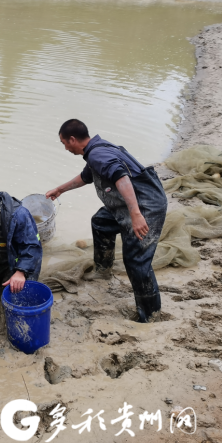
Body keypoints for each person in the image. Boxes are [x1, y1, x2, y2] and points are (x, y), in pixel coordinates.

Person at [45, 119, 168, 323]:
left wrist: (137, 215)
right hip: (127, 204)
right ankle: (103, 270)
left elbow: (122, 179)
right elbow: (86, 177)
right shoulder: (95, 151)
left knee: (137, 262)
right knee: (101, 222)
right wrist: (60, 189)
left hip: (145, 205)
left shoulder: (98, 154)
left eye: (64, 143)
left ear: (73, 139)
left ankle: (150, 315)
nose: (65, 147)